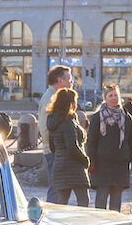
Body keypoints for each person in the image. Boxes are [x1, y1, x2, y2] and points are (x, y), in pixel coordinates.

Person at [86, 85, 132, 212]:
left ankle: (114, 224)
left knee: (116, 199)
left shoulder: (126, 117)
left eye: (116, 95)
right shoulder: (97, 117)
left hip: (120, 164)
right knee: (101, 199)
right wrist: (91, 161)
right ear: (105, 98)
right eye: (111, 96)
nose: (114, 98)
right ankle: (100, 224)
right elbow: (91, 141)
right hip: (102, 164)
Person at [45, 88, 91, 207]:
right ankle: (80, 224)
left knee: (61, 202)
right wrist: (85, 160)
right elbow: (72, 146)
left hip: (59, 165)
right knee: (83, 200)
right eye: (74, 101)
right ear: (70, 103)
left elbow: (52, 146)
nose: (76, 104)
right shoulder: (68, 122)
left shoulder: (53, 120)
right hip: (74, 166)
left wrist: (60, 154)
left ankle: (60, 223)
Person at [37, 65, 73, 203]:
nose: (71, 83)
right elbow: (46, 128)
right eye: (69, 79)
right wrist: (54, 148)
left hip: (57, 149)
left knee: (61, 186)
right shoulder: (50, 98)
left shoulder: (56, 96)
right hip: (54, 150)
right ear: (60, 81)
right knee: (56, 187)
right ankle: (52, 215)